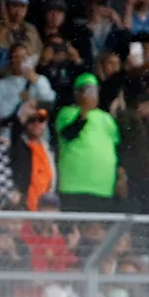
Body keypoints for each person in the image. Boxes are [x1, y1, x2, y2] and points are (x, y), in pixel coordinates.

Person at [53, 73, 121, 213]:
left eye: (94, 90)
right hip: (74, 186)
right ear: (77, 93)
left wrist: (121, 176)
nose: (91, 95)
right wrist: (84, 109)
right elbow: (69, 133)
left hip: (102, 187)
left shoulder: (106, 118)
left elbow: (117, 147)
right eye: (87, 90)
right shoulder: (67, 113)